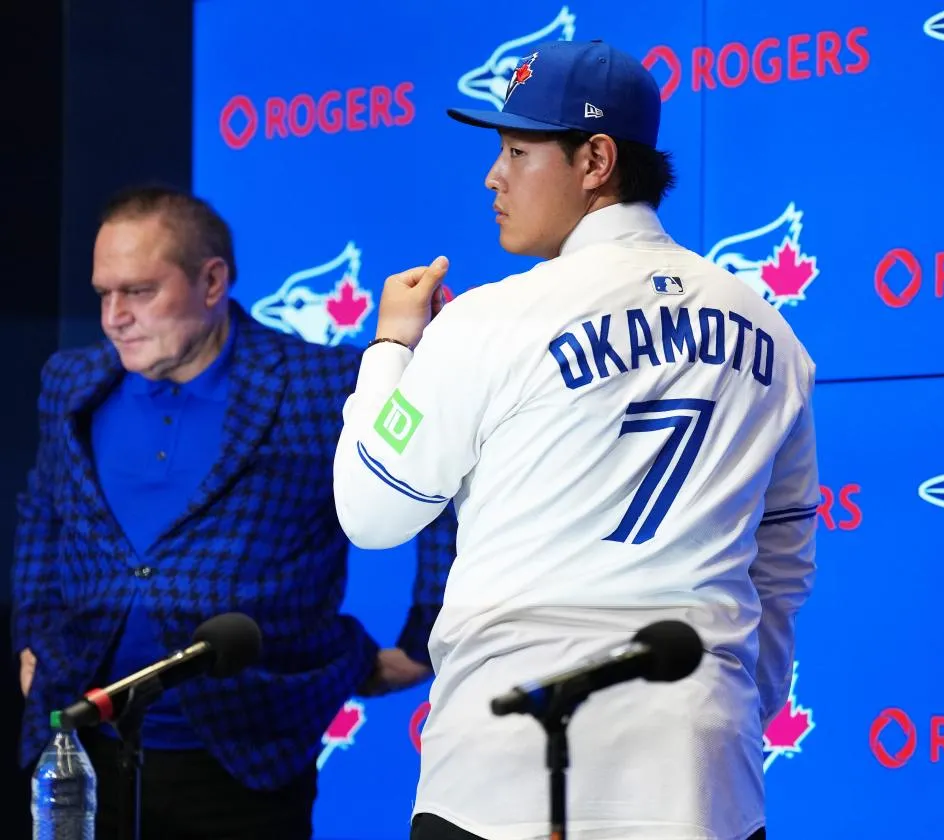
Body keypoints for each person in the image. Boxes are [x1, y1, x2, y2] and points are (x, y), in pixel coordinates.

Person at [332, 39, 819, 840]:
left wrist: (391, 349)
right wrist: (734, 705)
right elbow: (782, 565)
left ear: (595, 159)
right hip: (699, 768)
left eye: (518, 150)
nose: (494, 175)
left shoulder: (490, 320)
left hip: (504, 764)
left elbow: (370, 513)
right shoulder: (775, 336)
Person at [11, 184, 449, 840]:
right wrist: (33, 629)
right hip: (80, 739)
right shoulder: (70, 381)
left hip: (246, 751)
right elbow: (43, 510)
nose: (113, 317)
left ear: (212, 281)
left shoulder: (322, 384)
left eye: (138, 291)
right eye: (104, 293)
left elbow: (435, 493)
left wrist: (426, 635)